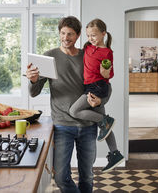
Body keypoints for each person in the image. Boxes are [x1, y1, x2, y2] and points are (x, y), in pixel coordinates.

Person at [26, 16, 110, 193]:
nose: (65, 37)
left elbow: (105, 86)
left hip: (87, 125)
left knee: (87, 176)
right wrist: (33, 80)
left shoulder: (87, 55)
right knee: (61, 176)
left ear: (78, 35)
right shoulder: (49, 57)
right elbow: (34, 92)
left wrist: (101, 100)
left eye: (70, 34)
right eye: (63, 33)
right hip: (62, 125)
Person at [69, 19, 124, 173]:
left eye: (94, 35)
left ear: (103, 34)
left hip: (98, 86)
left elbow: (109, 74)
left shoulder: (106, 52)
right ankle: (115, 153)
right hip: (90, 86)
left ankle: (104, 120)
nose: (90, 38)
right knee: (105, 128)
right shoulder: (88, 47)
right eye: (88, 35)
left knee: (74, 111)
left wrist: (105, 71)